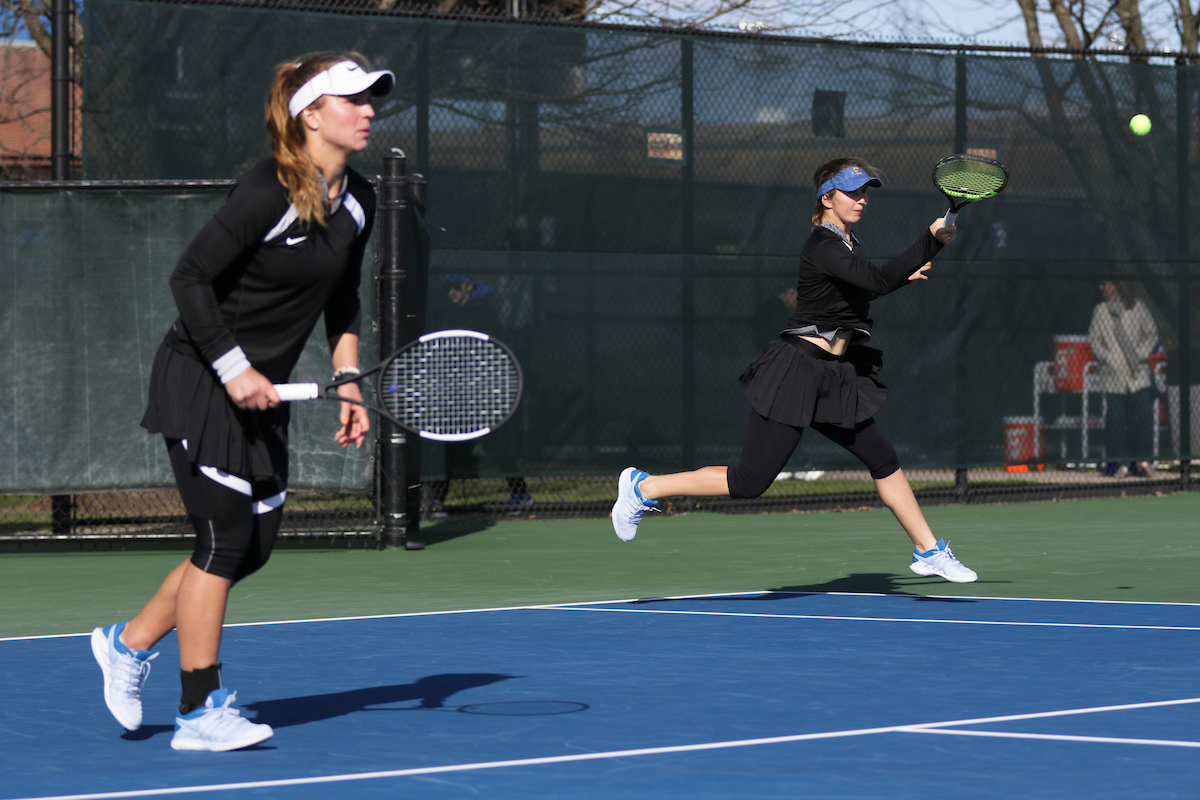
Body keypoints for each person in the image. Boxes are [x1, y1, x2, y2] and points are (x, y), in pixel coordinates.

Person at [90, 52, 393, 751]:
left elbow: (342, 300)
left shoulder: (361, 201)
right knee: (223, 539)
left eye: (373, 98)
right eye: (353, 100)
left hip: (263, 393)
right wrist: (232, 369)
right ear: (311, 114)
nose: (369, 109)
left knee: (249, 549)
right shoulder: (267, 189)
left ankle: (128, 646)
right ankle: (200, 712)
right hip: (201, 375)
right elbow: (190, 277)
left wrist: (348, 378)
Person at [611, 157, 978, 584]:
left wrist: (902, 274)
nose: (862, 200)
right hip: (796, 372)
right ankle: (643, 487)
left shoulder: (848, 242)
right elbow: (875, 281)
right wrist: (931, 240)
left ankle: (928, 550)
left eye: (865, 192)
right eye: (853, 192)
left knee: (883, 458)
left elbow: (860, 291)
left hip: (834, 377)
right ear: (827, 197)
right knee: (750, 481)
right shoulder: (822, 245)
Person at [1088, 279, 1159, 478]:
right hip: (1114, 376)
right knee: (1117, 420)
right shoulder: (1101, 311)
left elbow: (1151, 333)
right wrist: (1109, 358)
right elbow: (1094, 340)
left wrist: (1139, 354)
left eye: (1106, 283)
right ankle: (1122, 463)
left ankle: (1143, 461)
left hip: (1138, 375)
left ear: (1116, 285)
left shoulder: (1137, 307)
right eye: (1100, 283)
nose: (1101, 287)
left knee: (1143, 418)